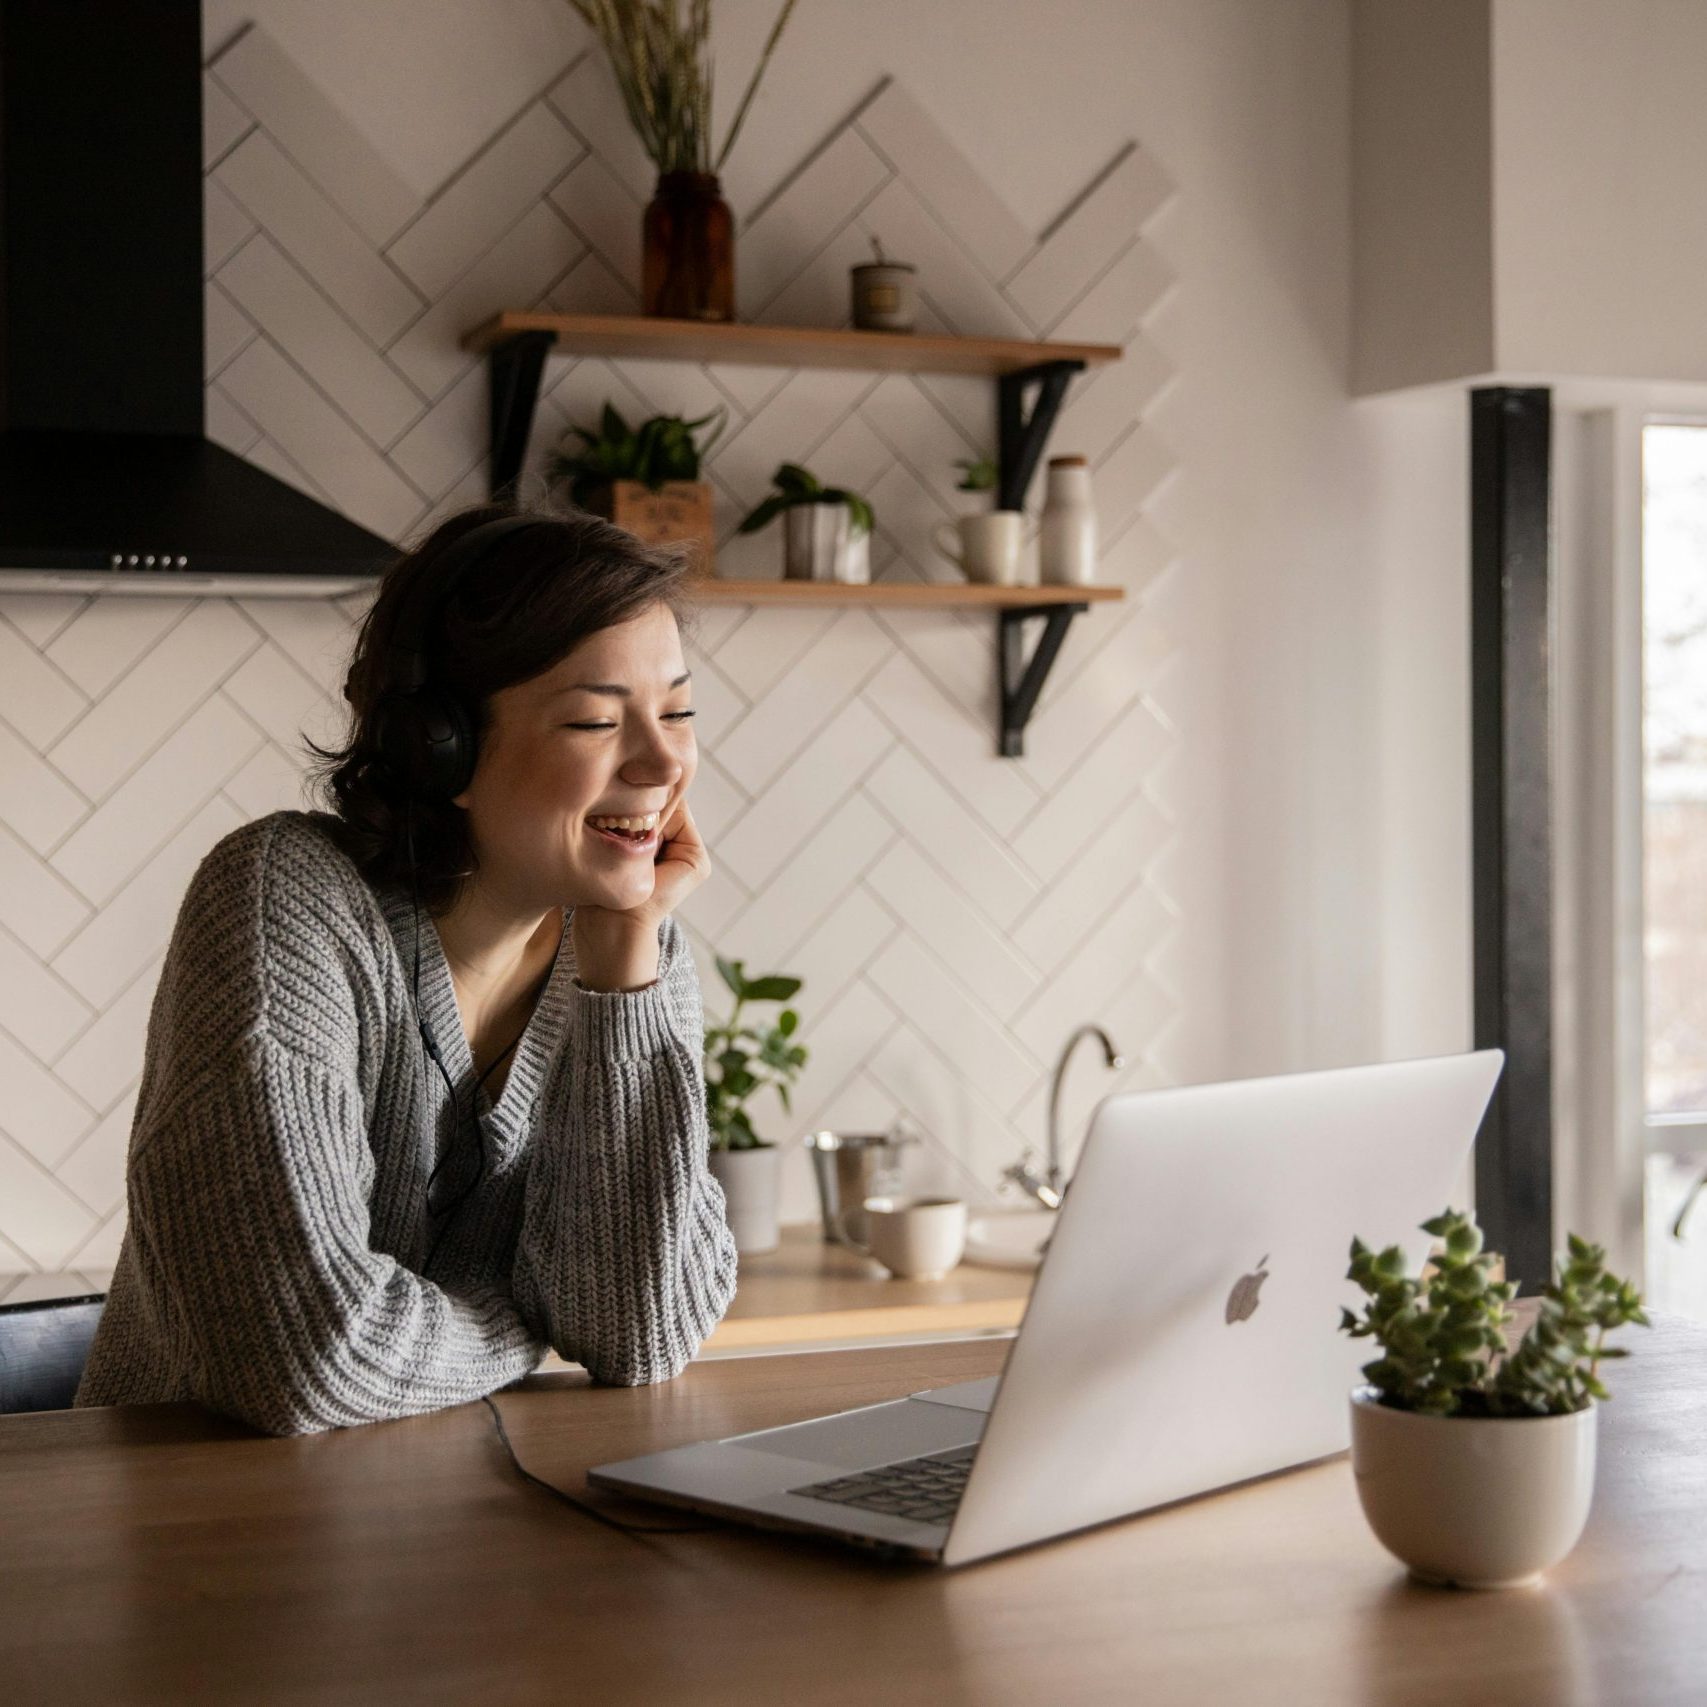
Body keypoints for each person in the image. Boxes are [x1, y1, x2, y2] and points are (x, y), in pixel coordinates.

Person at [72, 502, 738, 1435]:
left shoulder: (634, 956)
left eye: (678, 710)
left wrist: (626, 976)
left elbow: (638, 1334)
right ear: (440, 748)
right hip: (198, 1536)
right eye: (596, 721)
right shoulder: (285, 899)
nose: (664, 761)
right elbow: (305, 1355)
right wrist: (519, 1322)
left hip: (452, 1531)